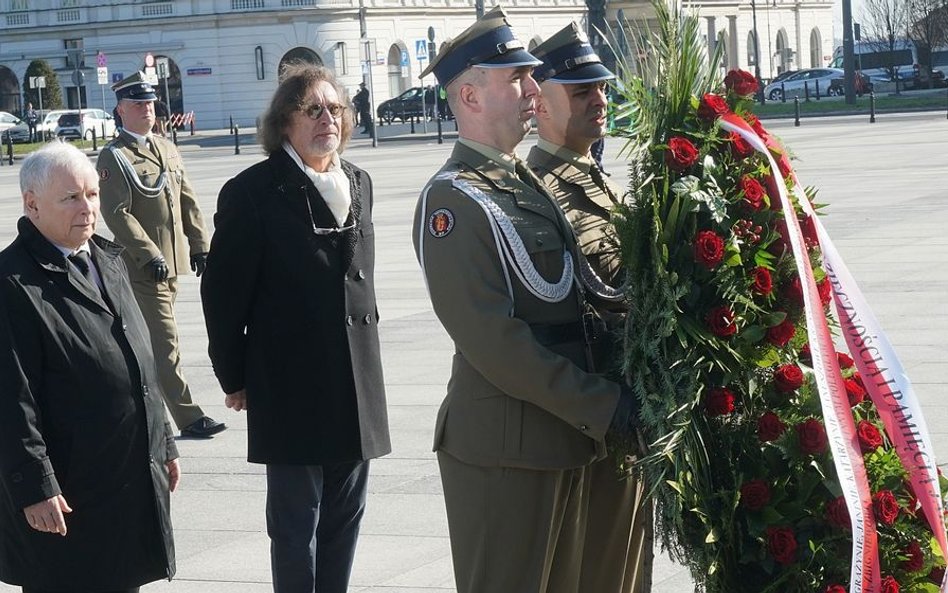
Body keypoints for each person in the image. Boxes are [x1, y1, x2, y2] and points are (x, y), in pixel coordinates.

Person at [412, 8, 636, 593]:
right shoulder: (453, 200)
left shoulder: (522, 183)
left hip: (559, 439)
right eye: (515, 78)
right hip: (505, 449)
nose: (534, 89)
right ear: (469, 94)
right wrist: (602, 405)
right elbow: (493, 340)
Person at [201, 63, 391, 593]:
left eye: (336, 109)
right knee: (295, 527)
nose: (328, 118)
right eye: (314, 110)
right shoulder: (253, 192)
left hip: (356, 383)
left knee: (345, 520)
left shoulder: (359, 181)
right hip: (289, 383)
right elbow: (222, 294)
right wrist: (234, 377)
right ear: (285, 122)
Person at [0, 142, 179, 593]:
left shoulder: (106, 259)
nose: (87, 208)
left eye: (92, 195)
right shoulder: (13, 282)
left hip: (124, 479)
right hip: (66, 493)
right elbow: (10, 400)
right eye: (71, 198)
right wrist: (34, 487)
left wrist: (164, 442)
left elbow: (138, 360)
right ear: (32, 204)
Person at [528, 23, 654, 593]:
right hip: (592, 412)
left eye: (600, 88)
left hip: (624, 409)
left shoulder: (590, 174)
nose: (600, 100)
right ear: (540, 99)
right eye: (581, 91)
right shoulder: (539, 187)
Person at [96, 71, 226, 438]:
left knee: (151, 345)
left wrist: (200, 245)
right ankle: (188, 416)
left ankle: (143, 415)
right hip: (142, 268)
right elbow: (116, 212)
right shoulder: (115, 156)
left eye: (150, 103)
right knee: (165, 342)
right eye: (138, 104)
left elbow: (187, 198)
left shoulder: (166, 148)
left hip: (170, 265)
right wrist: (148, 254)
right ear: (121, 110)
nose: (147, 109)